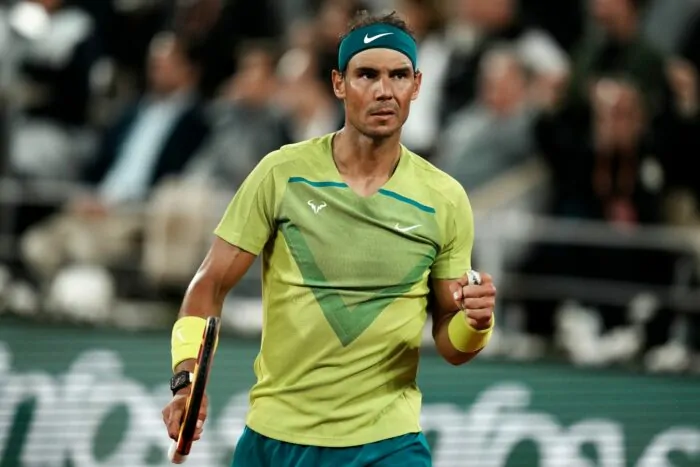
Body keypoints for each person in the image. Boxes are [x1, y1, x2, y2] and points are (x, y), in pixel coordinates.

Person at [161, 11, 497, 467]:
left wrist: (476, 323)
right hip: (274, 441)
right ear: (339, 83)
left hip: (386, 445)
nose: (384, 90)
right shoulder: (281, 174)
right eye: (367, 75)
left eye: (399, 75)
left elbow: (451, 344)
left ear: (417, 85)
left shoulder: (445, 199)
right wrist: (186, 381)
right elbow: (209, 285)